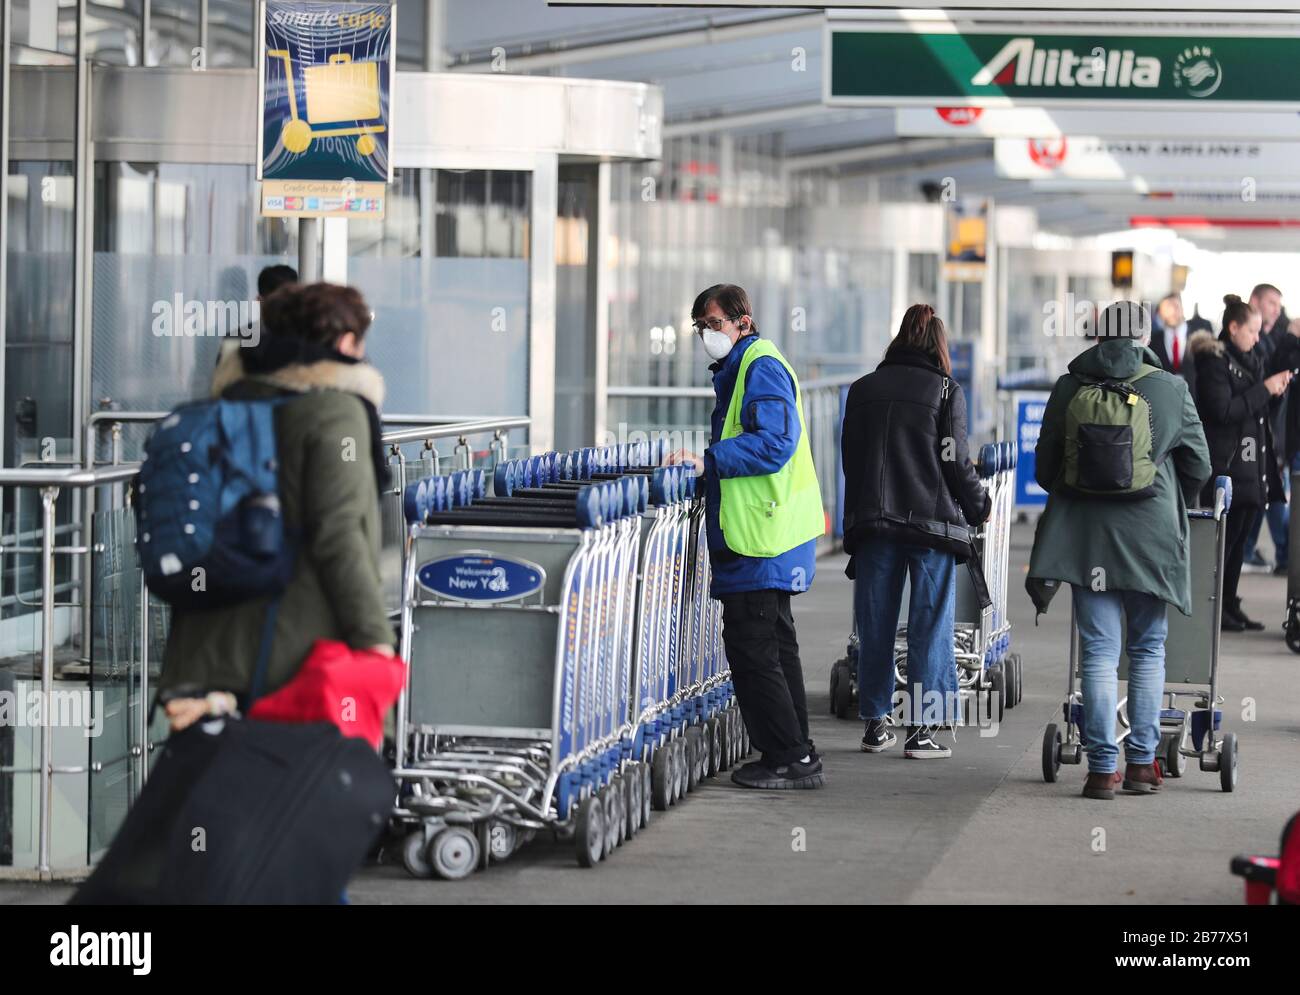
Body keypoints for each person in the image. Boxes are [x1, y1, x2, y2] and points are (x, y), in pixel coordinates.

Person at [159, 282, 395, 731]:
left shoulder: (231, 401)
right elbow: (338, 533)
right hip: (289, 660)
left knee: (211, 793)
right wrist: (374, 638)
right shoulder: (336, 412)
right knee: (300, 793)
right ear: (346, 342)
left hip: (201, 650)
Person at [1027, 301, 1210, 800]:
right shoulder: (1170, 390)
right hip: (1150, 541)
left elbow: (1045, 470)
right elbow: (1199, 464)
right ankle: (1142, 764)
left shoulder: (1069, 388)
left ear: (1097, 335)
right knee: (1148, 648)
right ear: (1144, 336)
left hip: (1087, 543)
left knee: (1100, 653)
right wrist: (1174, 497)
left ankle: (1100, 768)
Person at [669, 283, 826, 790]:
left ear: (743, 320)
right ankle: (797, 749)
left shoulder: (759, 366)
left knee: (754, 646)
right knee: (775, 644)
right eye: (700, 327)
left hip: (759, 534)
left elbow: (776, 443)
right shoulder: (744, 367)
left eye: (713, 324)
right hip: (764, 532)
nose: (706, 334)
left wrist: (708, 460)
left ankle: (787, 756)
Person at [840, 304, 989, 758]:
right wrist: (978, 505)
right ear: (938, 345)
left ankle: (874, 724)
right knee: (929, 624)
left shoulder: (862, 390)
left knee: (875, 622)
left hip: (875, 521)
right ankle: (921, 732)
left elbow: (852, 458)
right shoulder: (945, 391)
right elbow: (955, 460)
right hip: (931, 524)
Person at [1191, 294, 1294, 632]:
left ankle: (1229, 604)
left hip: (1253, 466)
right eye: (1251, 331)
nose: (1257, 337)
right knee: (1225, 542)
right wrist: (1264, 389)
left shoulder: (1252, 360)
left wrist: (1273, 392)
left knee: (1238, 542)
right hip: (1227, 465)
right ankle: (1215, 607)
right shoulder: (1213, 362)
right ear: (1233, 328)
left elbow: (1258, 410)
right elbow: (1222, 411)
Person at [1241, 283, 1290, 571]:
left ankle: (1258, 551)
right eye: (1271, 302)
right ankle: (1283, 554)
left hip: (1270, 428)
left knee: (1269, 492)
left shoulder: (1271, 339)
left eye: (1277, 305)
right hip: (1253, 432)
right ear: (1254, 301)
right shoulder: (1240, 346)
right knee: (1270, 493)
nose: (1275, 309)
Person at [1149, 293, 1190, 380]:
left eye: (1175, 306)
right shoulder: (1153, 341)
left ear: (1182, 308)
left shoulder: (1200, 338)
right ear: (1160, 312)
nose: (1172, 311)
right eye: (1167, 307)